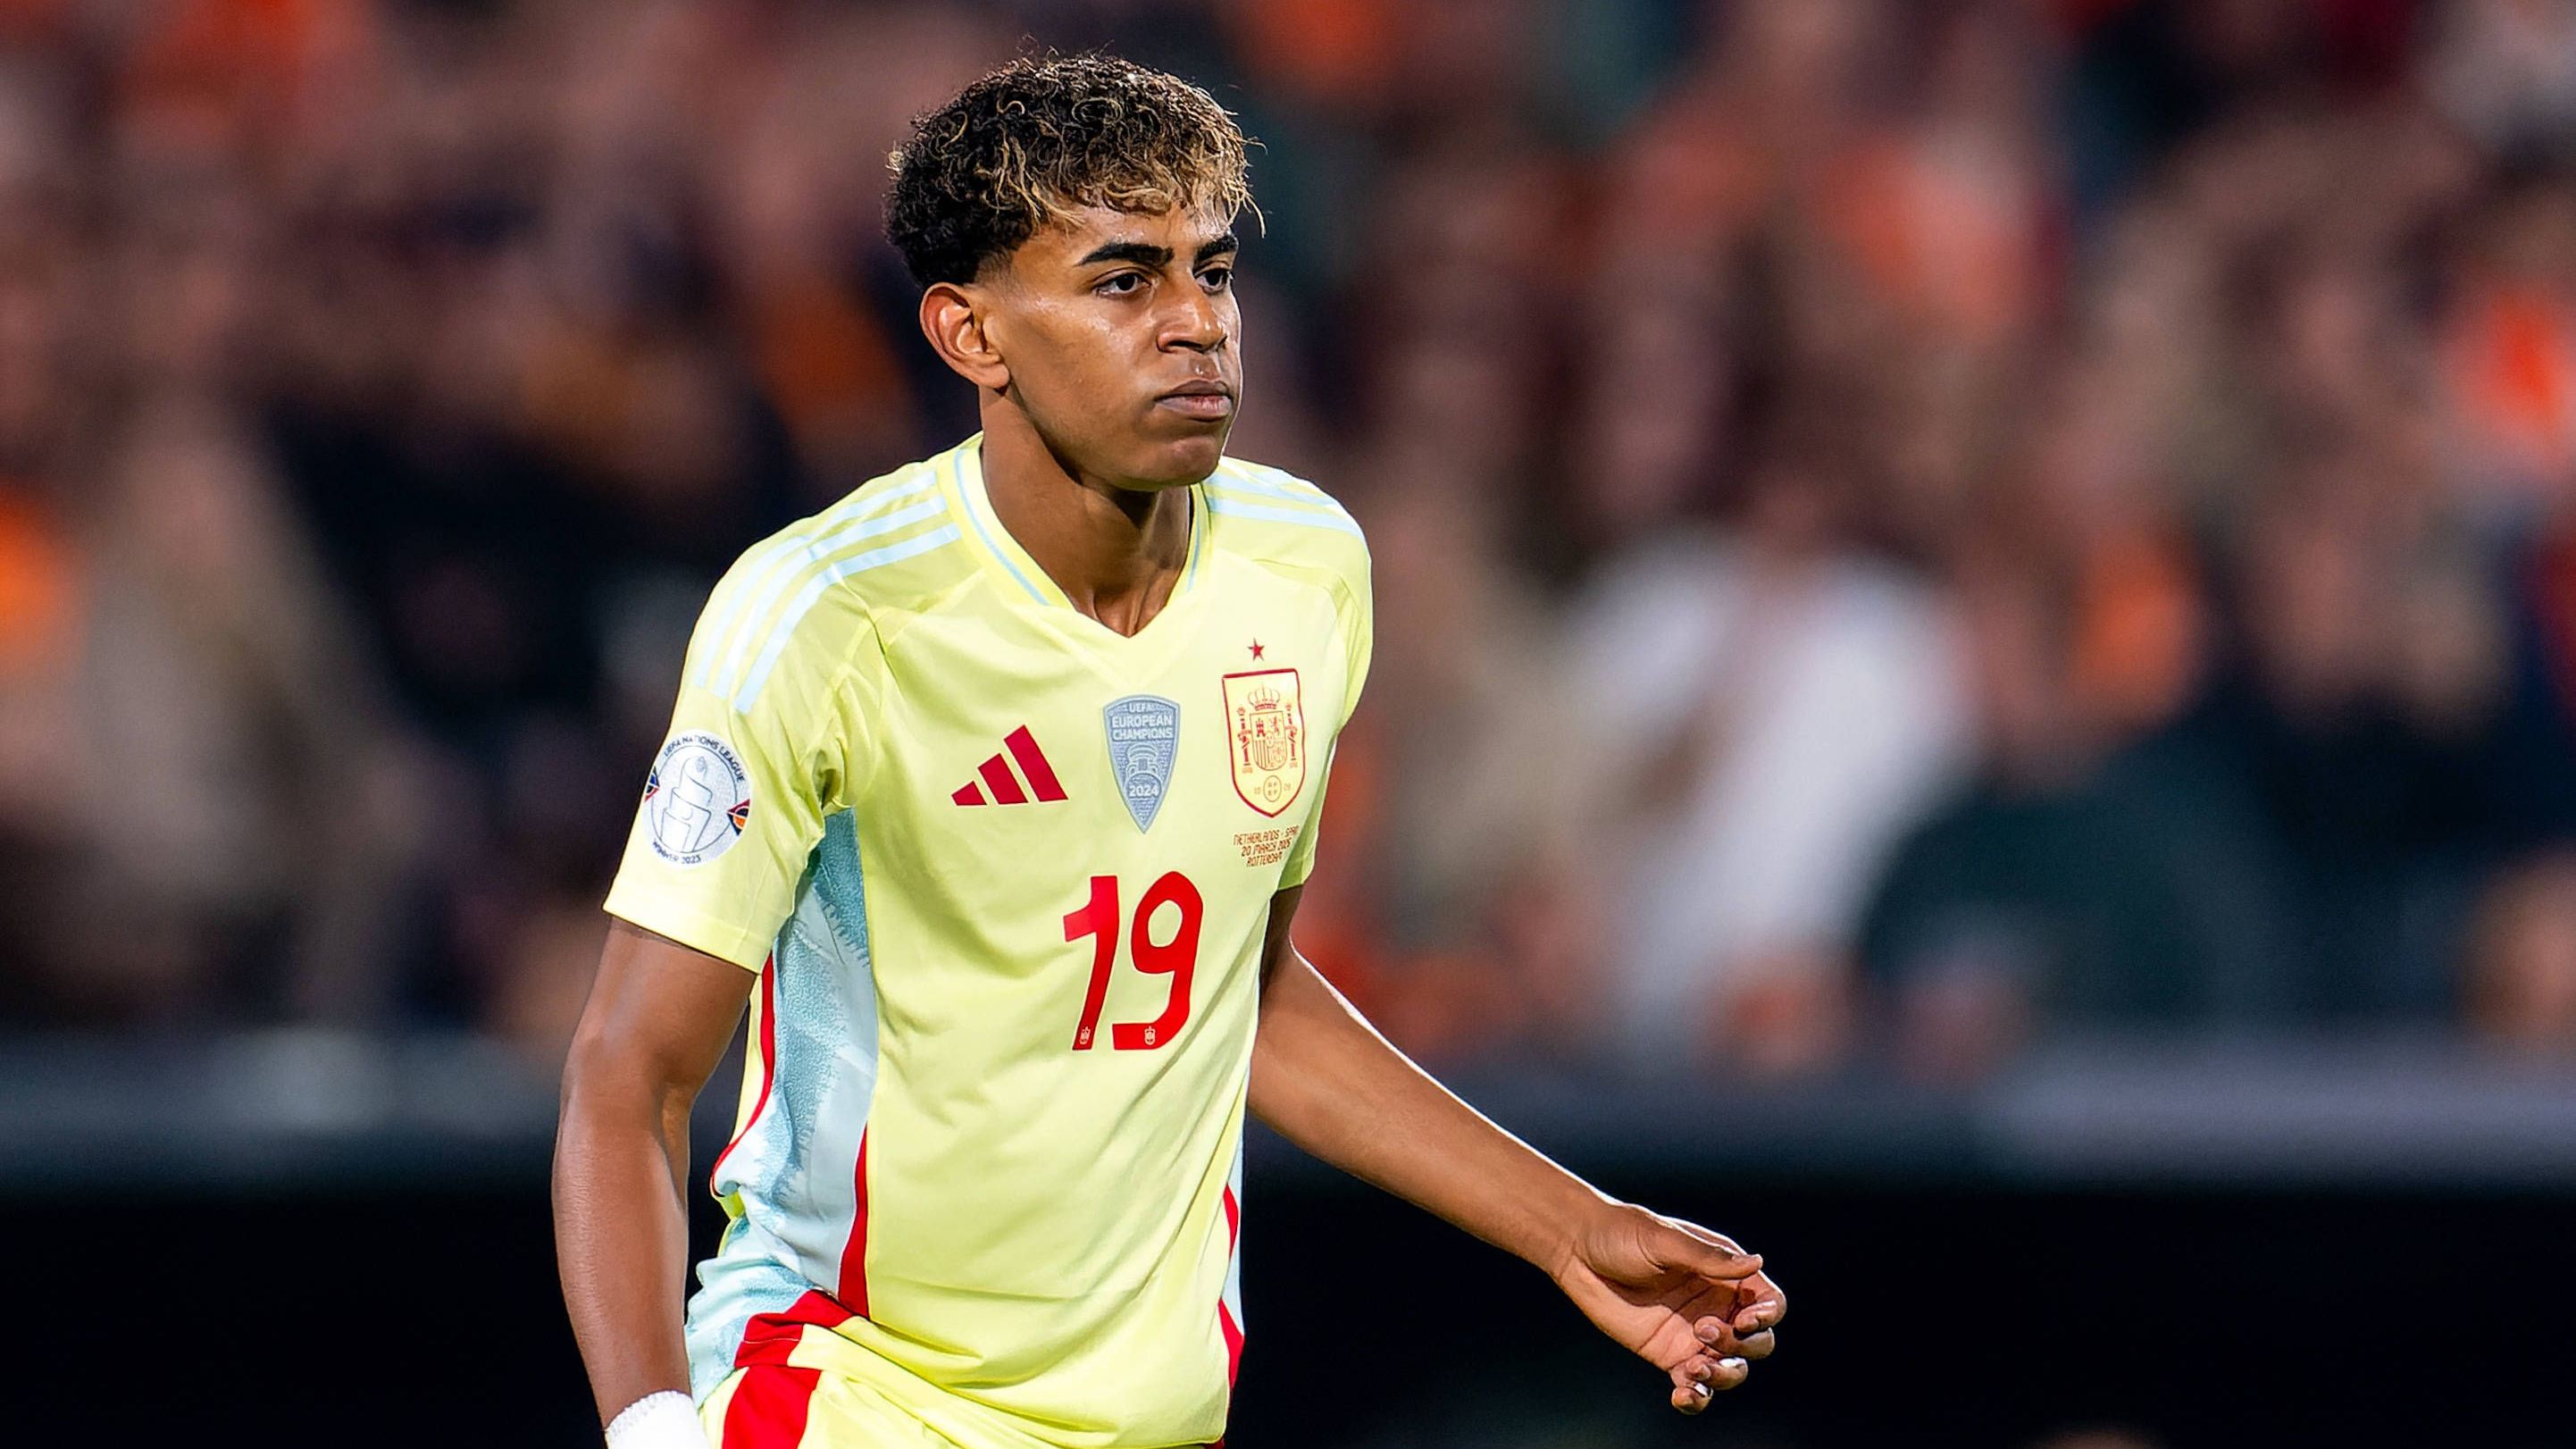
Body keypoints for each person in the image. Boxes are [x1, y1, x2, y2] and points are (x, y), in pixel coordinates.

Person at [552, 54, 1785, 1449]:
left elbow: (1239, 986)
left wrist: (1571, 1229)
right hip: (850, 1391)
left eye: (1214, 272)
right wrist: (651, 1428)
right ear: (971, 334)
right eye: (1125, 281)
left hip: (1159, 1419)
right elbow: (629, 1073)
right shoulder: (829, 614)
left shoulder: (1307, 570)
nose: (1197, 324)